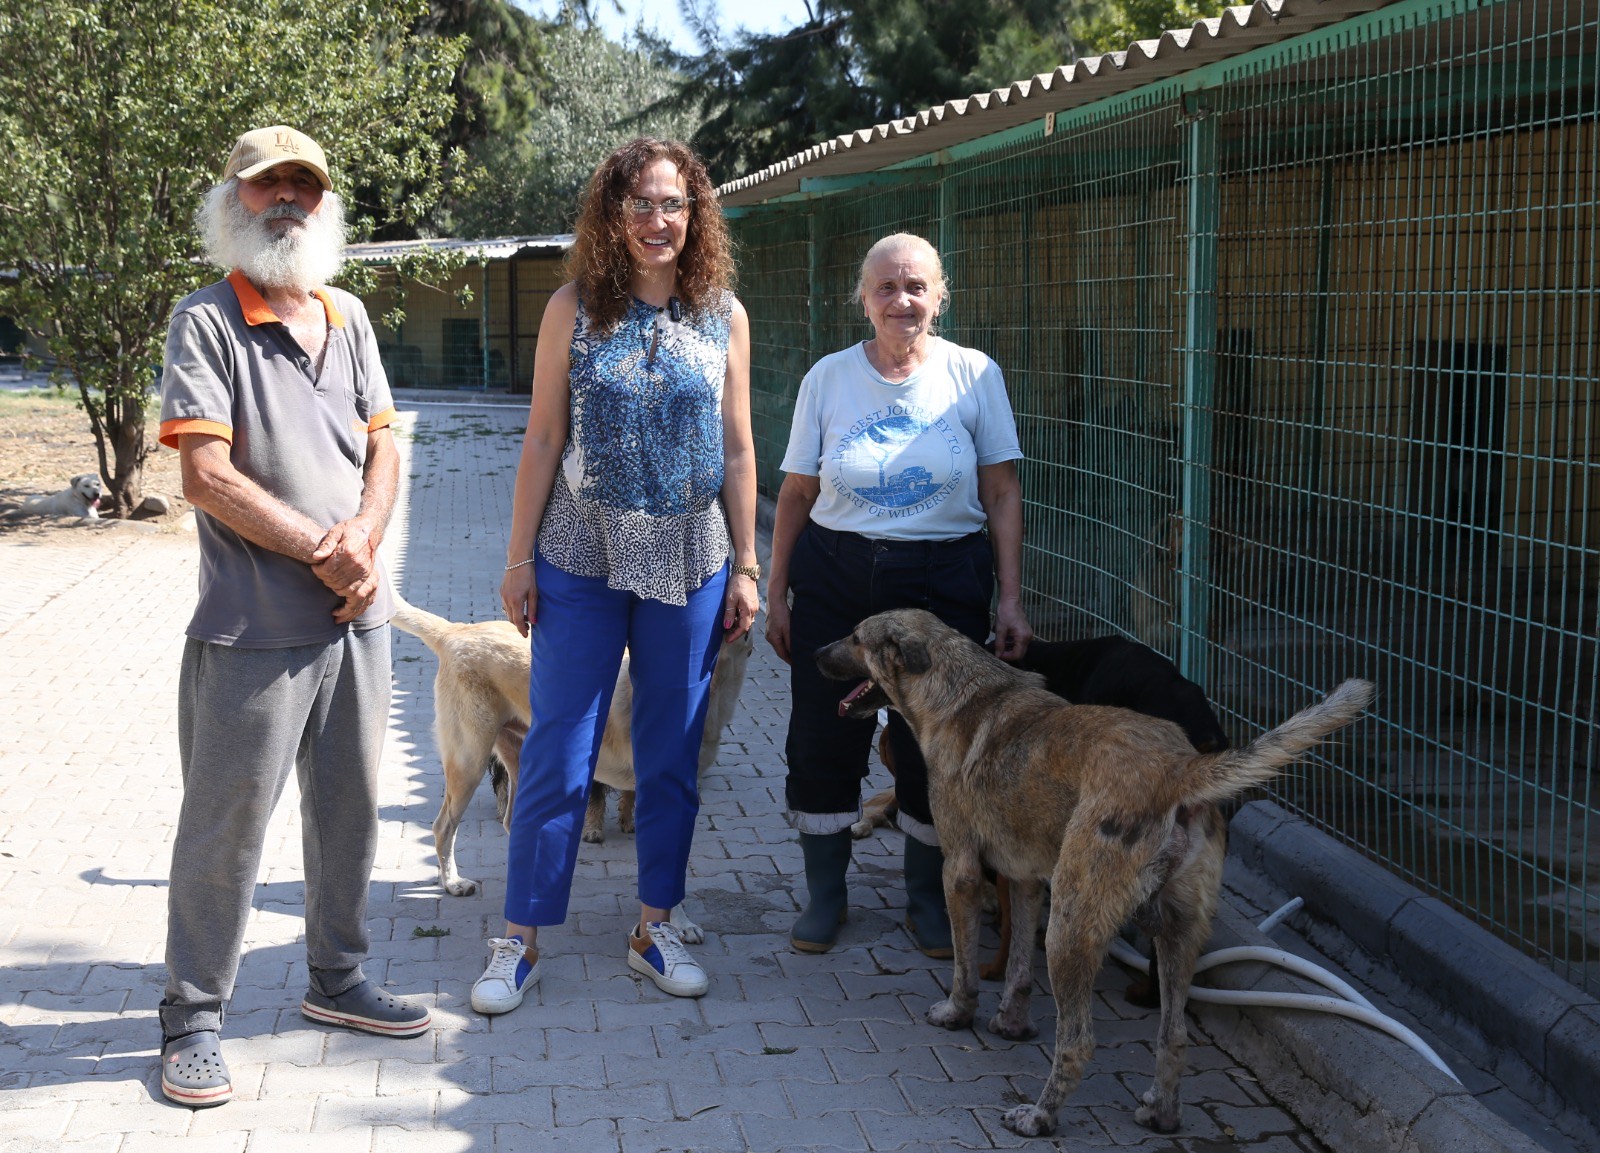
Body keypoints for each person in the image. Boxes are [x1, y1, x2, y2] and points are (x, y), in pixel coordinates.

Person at [155, 126, 428, 1107]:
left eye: (304, 187)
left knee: (351, 813)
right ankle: (191, 1017)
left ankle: (337, 980)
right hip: (252, 631)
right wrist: (327, 548)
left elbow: (384, 446)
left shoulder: (346, 314)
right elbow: (205, 475)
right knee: (227, 829)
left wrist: (364, 539)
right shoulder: (207, 322)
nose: (288, 202)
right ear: (232, 199)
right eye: (268, 185)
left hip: (357, 617)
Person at [470, 138, 758, 1015]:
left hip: (690, 556)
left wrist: (747, 563)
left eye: (672, 204)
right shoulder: (573, 307)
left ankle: (654, 927)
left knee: (672, 749)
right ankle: (518, 939)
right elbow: (544, 440)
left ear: (695, 213)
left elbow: (740, 446)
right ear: (612, 215)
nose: (656, 220)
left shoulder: (725, 316)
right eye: (639, 204)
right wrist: (519, 559)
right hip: (581, 553)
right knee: (560, 745)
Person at [765, 232, 1032, 957]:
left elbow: (1002, 491)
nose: (901, 300)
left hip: (943, 581)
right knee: (825, 731)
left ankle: (929, 899)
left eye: (916, 286)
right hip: (838, 575)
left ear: (940, 296)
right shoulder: (828, 377)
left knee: (934, 744)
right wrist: (777, 588)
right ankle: (826, 895)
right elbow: (795, 491)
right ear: (863, 298)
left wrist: (1009, 599)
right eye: (885, 287)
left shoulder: (974, 375)